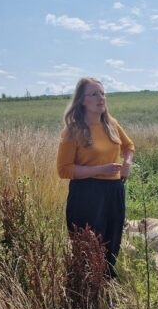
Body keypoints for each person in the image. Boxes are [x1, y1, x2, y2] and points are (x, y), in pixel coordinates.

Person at [57, 77, 135, 279]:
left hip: (114, 190)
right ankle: (86, 290)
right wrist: (100, 169)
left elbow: (129, 146)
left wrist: (126, 164)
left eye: (102, 93)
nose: (101, 98)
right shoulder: (73, 130)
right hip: (87, 194)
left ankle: (106, 287)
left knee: (112, 239)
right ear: (82, 100)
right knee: (89, 245)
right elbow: (63, 170)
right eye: (95, 94)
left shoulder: (111, 124)